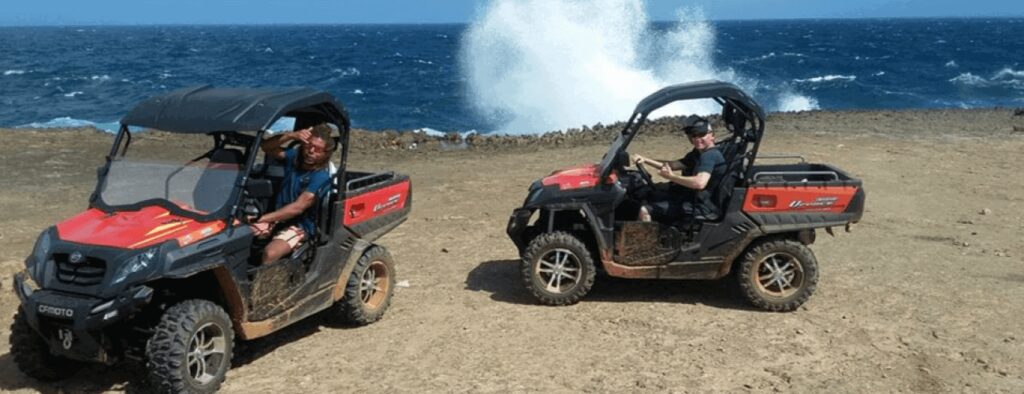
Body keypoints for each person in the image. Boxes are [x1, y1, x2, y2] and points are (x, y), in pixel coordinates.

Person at [250, 123, 336, 265]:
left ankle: (266, 284)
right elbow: (266, 147)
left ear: (326, 154)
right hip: (277, 217)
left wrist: (263, 219)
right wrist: (291, 135)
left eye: (318, 150)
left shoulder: (321, 177)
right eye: (309, 146)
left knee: (270, 253)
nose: (311, 151)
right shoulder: (295, 158)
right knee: (238, 237)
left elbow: (297, 208)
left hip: (301, 225)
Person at [631, 115, 726, 223]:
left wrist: (672, 177)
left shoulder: (710, 155)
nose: (696, 139)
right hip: (689, 197)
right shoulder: (697, 154)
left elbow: (699, 183)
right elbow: (672, 165)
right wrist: (645, 160)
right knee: (648, 193)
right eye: (693, 135)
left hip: (700, 206)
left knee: (645, 210)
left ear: (712, 136)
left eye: (701, 135)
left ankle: (645, 239)